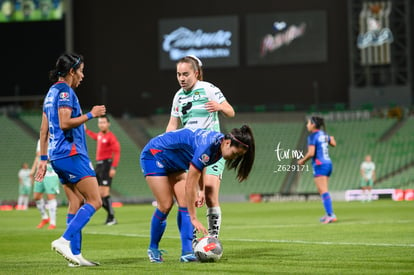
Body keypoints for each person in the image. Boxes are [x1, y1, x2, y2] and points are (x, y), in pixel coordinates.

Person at [140, 125, 255, 263]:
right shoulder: (208, 146)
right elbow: (189, 184)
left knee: (184, 204)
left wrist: (201, 190)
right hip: (155, 155)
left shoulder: (218, 147)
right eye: (235, 153)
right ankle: (153, 249)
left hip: (175, 161)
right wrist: (193, 218)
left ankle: (187, 253)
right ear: (228, 142)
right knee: (166, 204)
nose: (234, 158)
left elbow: (202, 165)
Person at [35, 53, 106, 267]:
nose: (83, 75)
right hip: (71, 153)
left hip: (58, 156)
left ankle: (75, 257)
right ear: (72, 71)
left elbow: (43, 129)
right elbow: (65, 123)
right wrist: (91, 114)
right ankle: (64, 241)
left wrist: (44, 159)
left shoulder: (50, 93)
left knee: (76, 202)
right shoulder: (65, 91)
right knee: (95, 201)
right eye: (81, 70)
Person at [165, 55, 235, 241]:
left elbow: (231, 111)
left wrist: (219, 106)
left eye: (186, 74)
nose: (181, 78)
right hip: (192, 152)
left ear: (196, 73)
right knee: (192, 197)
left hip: (213, 150)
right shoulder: (178, 96)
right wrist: (166, 142)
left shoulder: (208, 89)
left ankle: (212, 238)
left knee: (210, 193)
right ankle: (195, 240)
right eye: (179, 74)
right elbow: (172, 125)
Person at [298, 116, 337, 224]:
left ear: (313, 125)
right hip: (328, 163)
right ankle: (328, 213)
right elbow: (333, 143)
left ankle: (331, 215)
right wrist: (331, 138)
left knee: (323, 190)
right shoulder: (324, 134)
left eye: (308, 123)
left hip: (320, 164)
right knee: (322, 190)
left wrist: (302, 160)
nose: (307, 125)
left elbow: (311, 153)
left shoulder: (312, 137)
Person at [86, 115, 121, 225]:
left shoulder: (111, 137)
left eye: (103, 122)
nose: (101, 124)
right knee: (97, 194)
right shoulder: (100, 135)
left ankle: (111, 217)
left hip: (106, 165)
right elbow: (95, 136)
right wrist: (86, 130)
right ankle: (111, 214)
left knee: (104, 193)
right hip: (99, 166)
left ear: (108, 124)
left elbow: (117, 152)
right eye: (100, 123)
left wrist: (113, 167)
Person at [31, 139, 60, 229]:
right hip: (40, 170)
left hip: (51, 172)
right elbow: (38, 156)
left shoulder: (57, 138)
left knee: (50, 196)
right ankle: (45, 218)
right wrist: (33, 170)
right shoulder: (40, 140)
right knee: (36, 196)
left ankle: (53, 222)